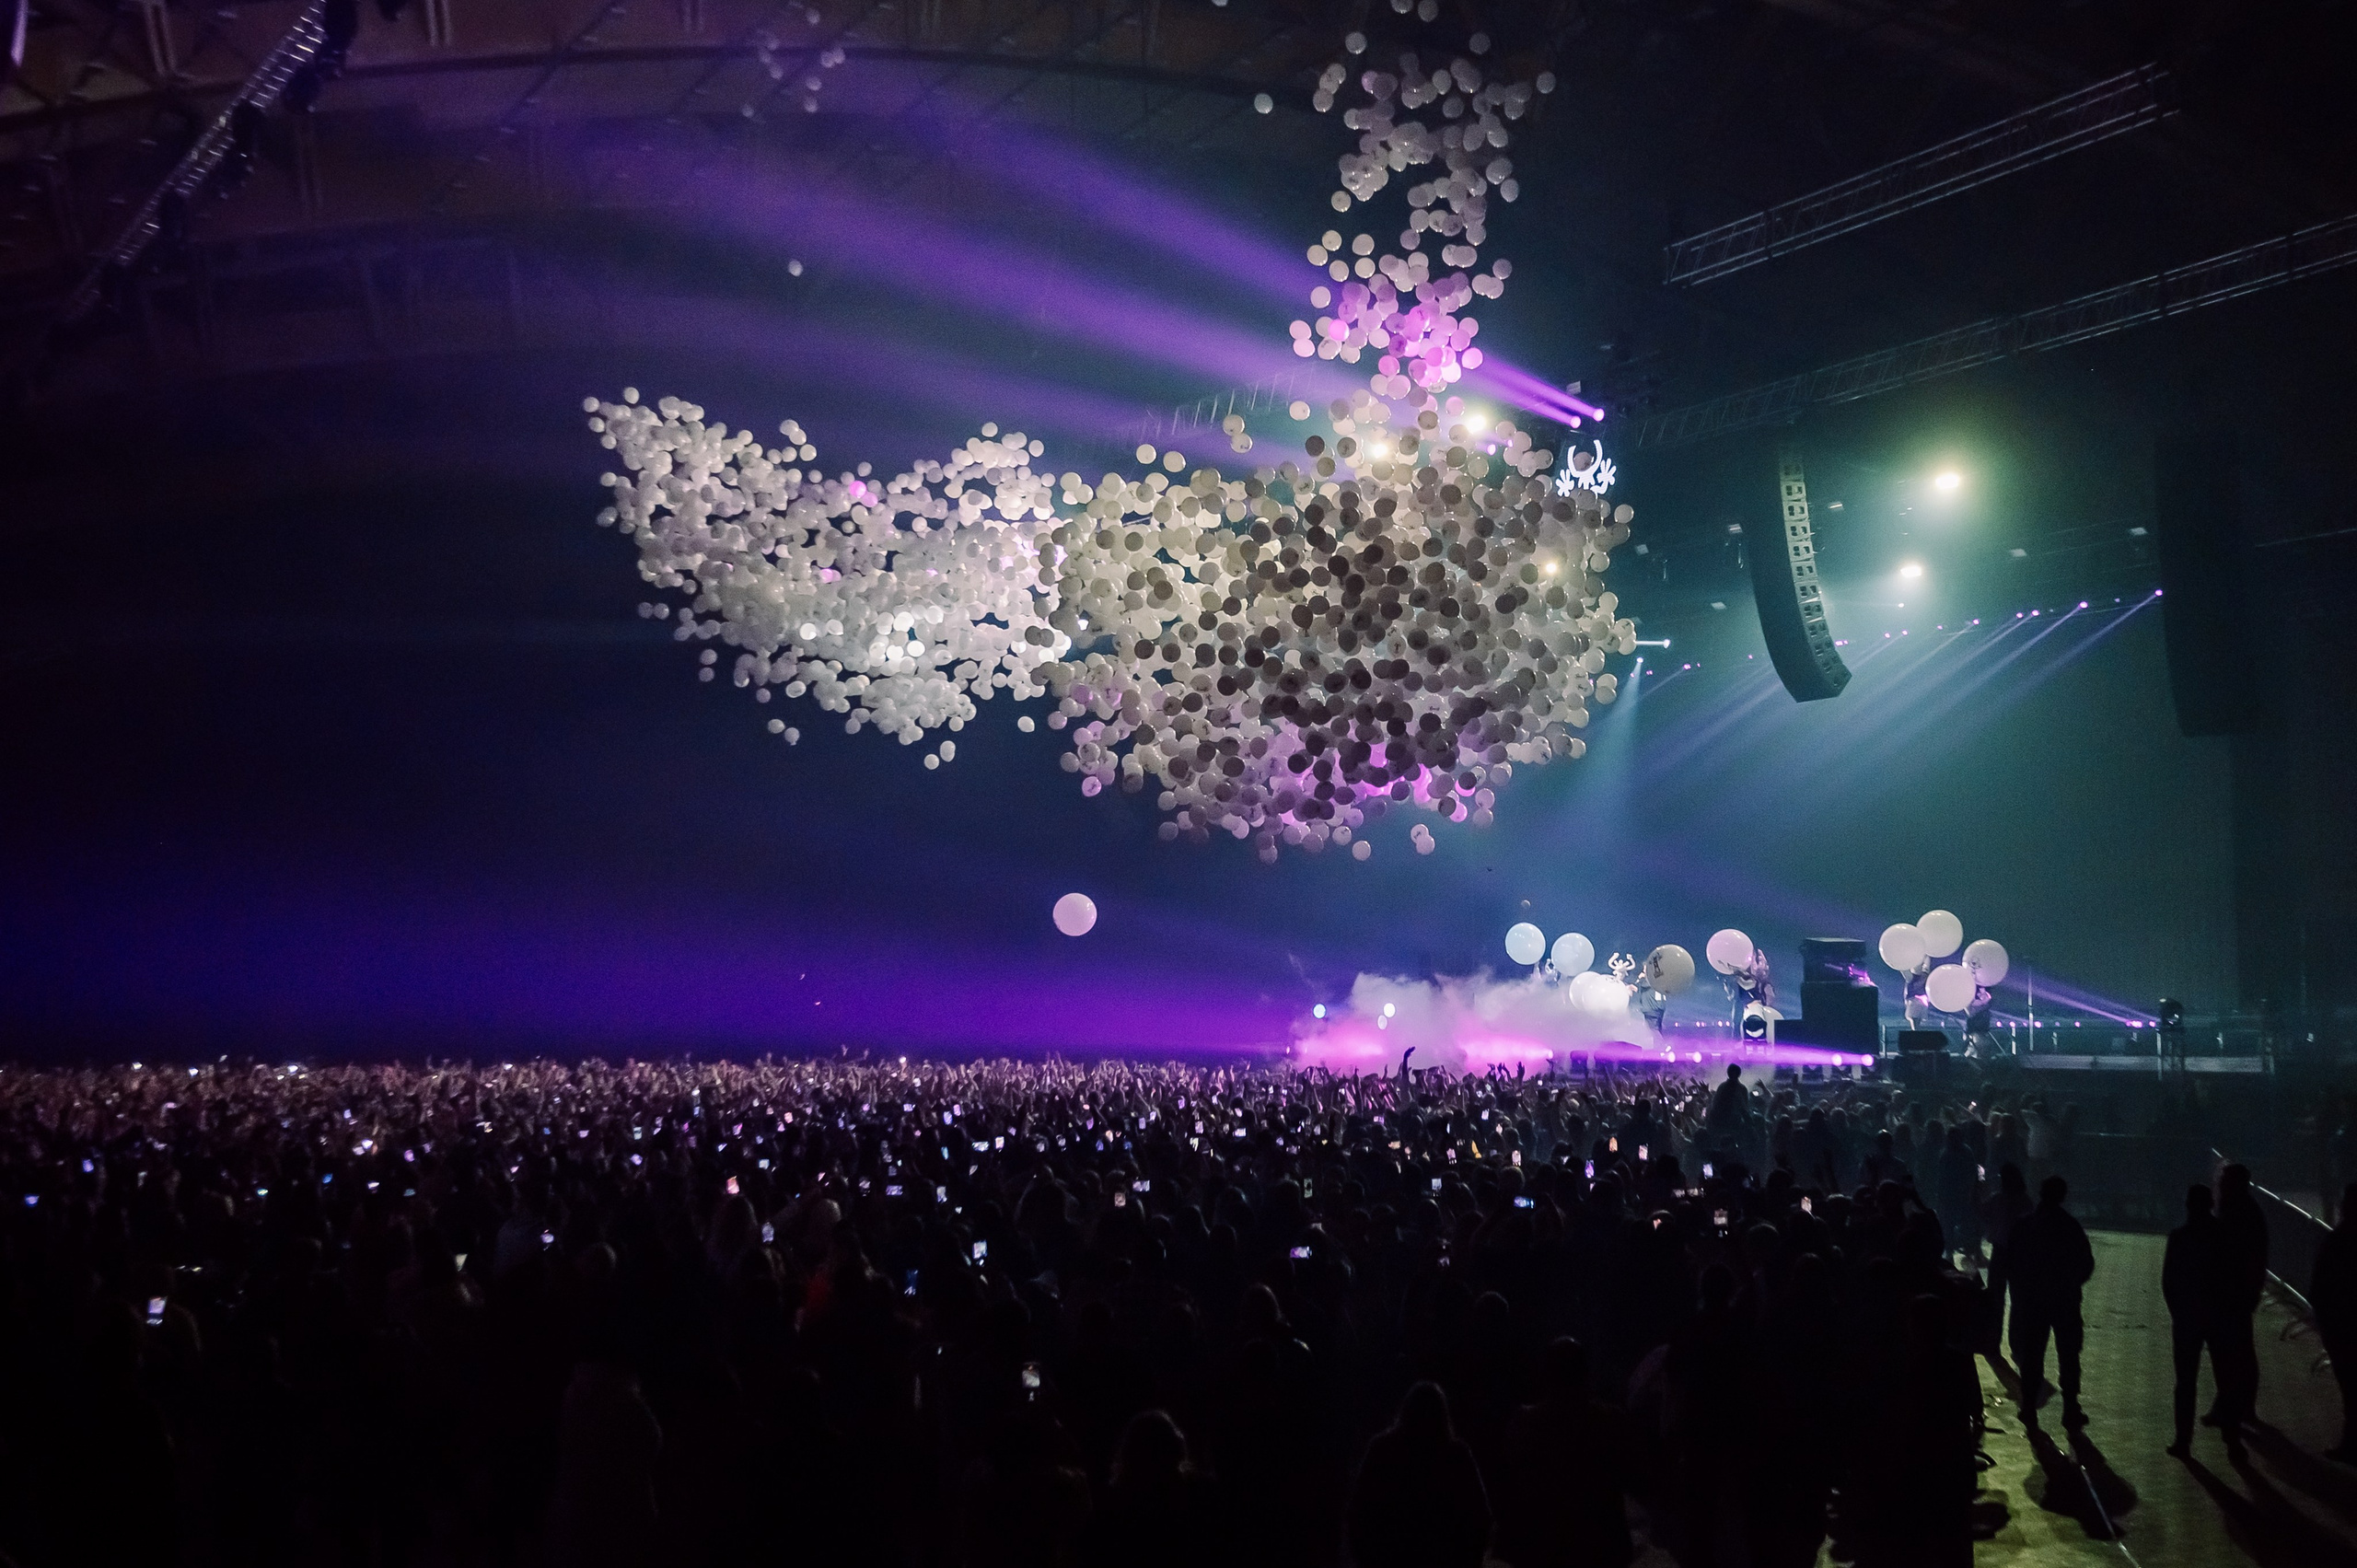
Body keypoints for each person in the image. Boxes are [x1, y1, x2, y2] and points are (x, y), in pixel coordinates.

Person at [1346, 1383, 1491, 1568]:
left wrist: (1367, 1557)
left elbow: (1358, 1511)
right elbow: (1480, 1516)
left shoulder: (1383, 1450)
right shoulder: (1456, 1455)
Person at [2008, 1175, 2095, 1428]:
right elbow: (2086, 1264)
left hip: (2033, 1301)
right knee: (2069, 1354)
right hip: (2064, 1299)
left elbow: (2012, 1261)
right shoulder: (2070, 1226)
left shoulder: (2025, 1225)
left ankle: (2029, 1408)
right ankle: (2070, 1409)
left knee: (2033, 1354)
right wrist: (2070, 1283)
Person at [2207, 1163, 2269, 1432]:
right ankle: (2233, 1406)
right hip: (2235, 1290)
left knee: (2237, 1351)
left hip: (2234, 1291)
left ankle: (2239, 1407)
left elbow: (2249, 1256)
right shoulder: (2243, 1210)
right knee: (2234, 1350)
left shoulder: (2238, 1212)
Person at [2160, 1184, 2221, 1458]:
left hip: (2187, 1317)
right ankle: (2232, 1439)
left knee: (2185, 1381)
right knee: (2225, 1376)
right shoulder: (2222, 1235)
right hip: (2217, 1315)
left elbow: (2168, 1281)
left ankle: (2183, 1440)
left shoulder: (2179, 1237)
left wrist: (2178, 1312)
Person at [2312, 1182, 2357, 1463]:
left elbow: (2320, 1285)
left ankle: (2351, 1444)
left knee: (2351, 1390)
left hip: (2341, 1327)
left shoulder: (2338, 1241)